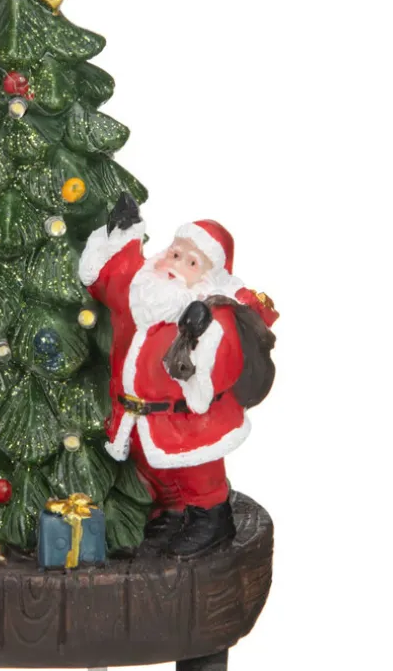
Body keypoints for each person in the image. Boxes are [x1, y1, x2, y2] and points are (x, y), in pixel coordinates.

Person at [79, 194, 277, 557]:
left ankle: (211, 519)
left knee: (197, 473)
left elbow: (225, 358)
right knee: (160, 474)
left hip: (188, 421)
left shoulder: (213, 313)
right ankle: (174, 514)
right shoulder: (142, 291)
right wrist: (122, 232)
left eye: (191, 262)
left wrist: (200, 334)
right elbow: (108, 276)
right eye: (175, 253)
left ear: (208, 276)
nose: (176, 264)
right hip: (140, 417)